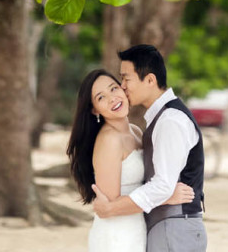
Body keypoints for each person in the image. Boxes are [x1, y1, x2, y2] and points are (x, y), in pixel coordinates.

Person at [91, 44, 207, 252]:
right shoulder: (156, 121)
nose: (123, 86)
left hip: (174, 227)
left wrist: (109, 208)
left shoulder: (169, 120)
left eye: (126, 79)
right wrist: (167, 195)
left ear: (150, 80)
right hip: (161, 227)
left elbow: (162, 185)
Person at [67, 67, 194, 252]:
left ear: (122, 88)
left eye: (113, 89)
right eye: (101, 97)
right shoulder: (109, 140)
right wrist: (165, 197)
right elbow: (110, 205)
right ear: (95, 110)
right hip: (116, 235)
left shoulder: (135, 131)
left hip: (137, 228)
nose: (112, 98)